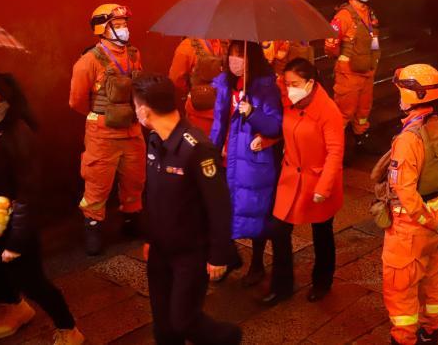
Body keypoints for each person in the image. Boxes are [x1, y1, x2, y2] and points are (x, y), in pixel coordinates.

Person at [133, 74, 241, 345]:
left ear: (145, 110)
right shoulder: (155, 140)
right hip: (160, 250)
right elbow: (152, 194)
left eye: (135, 106)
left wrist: (219, 255)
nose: (135, 112)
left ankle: (227, 337)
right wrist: (149, 236)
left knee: (183, 319)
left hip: (189, 253)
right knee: (163, 324)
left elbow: (219, 205)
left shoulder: (197, 148)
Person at [0, 70, 84, 344]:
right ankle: (14, 308)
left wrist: (16, 241)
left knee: (33, 281)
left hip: (17, 226)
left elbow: (28, 194)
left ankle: (69, 329)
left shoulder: (16, 134)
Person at [382, 64, 438, 345]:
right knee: (433, 282)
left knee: (401, 290)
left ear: (414, 96)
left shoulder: (409, 139)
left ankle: (404, 340)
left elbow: (405, 192)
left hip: (410, 231)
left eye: (402, 91)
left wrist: (430, 218)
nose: (400, 96)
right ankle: (432, 333)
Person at [262, 58, 344, 306]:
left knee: (322, 232)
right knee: (278, 230)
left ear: (310, 83)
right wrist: (264, 140)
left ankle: (322, 281)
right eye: (287, 83)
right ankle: (282, 284)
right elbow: (284, 129)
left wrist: (324, 187)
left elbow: (335, 152)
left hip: (317, 179)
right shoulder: (289, 100)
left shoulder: (327, 110)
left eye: (294, 83)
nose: (289, 88)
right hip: (290, 177)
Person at [69, 4, 145, 255]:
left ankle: (131, 219)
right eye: (119, 24)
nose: (125, 29)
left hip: (132, 130)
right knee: (97, 183)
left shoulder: (134, 55)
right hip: (102, 133)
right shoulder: (88, 61)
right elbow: (77, 101)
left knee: (135, 178)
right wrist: (101, 115)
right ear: (103, 28)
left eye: (125, 24)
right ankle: (92, 225)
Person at [210, 41, 283, 286]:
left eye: (240, 55)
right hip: (224, 157)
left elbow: (274, 125)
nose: (234, 61)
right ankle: (229, 255)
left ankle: (258, 263)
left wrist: (252, 112)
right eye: (231, 55)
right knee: (223, 208)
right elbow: (219, 122)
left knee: (255, 209)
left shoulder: (265, 86)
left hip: (251, 158)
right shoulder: (224, 83)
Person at [325, 0, 380, 151]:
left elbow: (374, 39)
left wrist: (374, 60)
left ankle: (360, 136)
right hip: (348, 72)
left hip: (367, 70)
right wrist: (338, 57)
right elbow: (330, 43)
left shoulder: (369, 13)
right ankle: (335, 146)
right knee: (344, 111)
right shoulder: (343, 16)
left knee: (364, 110)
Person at [168, 37, 228, 135]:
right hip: (224, 111)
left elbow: (175, 79)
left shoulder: (187, 46)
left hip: (199, 112)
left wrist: (191, 88)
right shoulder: (226, 43)